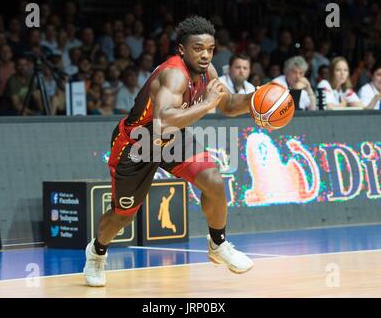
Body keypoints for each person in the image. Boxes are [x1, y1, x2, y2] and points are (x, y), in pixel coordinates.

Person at [83, 16, 256, 287]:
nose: (205, 55)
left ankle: (218, 244)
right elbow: (164, 119)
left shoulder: (207, 72)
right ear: (182, 50)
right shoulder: (173, 74)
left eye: (210, 49)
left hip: (173, 138)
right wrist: (208, 102)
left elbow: (230, 104)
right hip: (138, 143)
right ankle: (96, 252)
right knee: (122, 215)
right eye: (198, 48)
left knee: (213, 181)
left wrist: (257, 100)